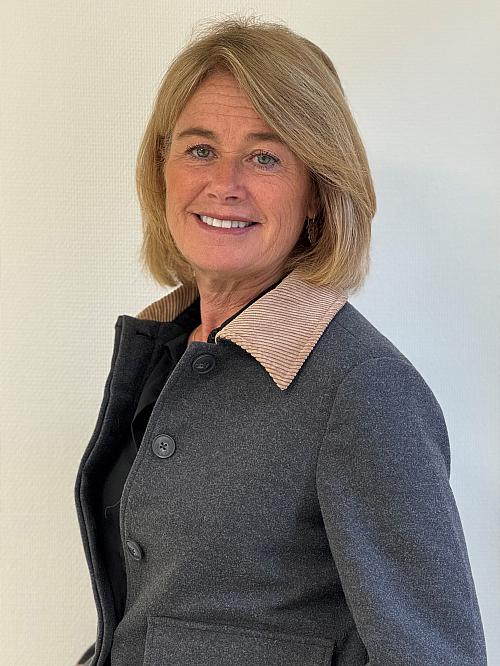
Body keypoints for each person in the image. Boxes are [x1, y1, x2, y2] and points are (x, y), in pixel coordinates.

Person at [74, 15, 487, 666]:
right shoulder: (170, 349)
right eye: (200, 149)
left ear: (318, 190)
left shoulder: (364, 391)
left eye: (265, 157)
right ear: (162, 168)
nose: (224, 183)